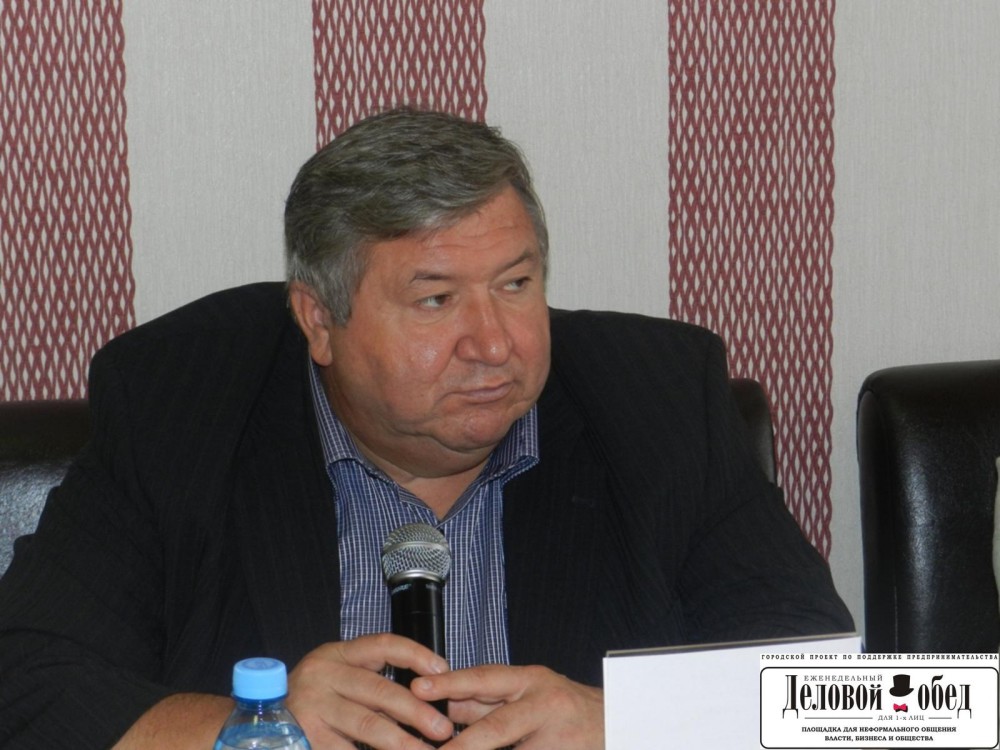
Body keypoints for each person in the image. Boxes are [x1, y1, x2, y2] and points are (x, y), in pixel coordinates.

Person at [0, 108, 853, 749]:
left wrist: (628, 724)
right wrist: (256, 729)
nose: (495, 343)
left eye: (516, 285)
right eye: (437, 300)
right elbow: (23, 680)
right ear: (319, 320)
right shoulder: (183, 403)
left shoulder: (658, 403)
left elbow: (852, 704)